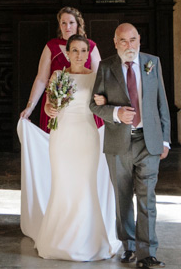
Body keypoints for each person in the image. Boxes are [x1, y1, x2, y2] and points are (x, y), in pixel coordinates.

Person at [32, 35, 121, 261]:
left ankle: (88, 240)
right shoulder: (57, 75)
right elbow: (51, 102)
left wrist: (104, 103)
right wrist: (51, 108)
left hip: (86, 136)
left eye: (84, 50)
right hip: (61, 137)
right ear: (67, 53)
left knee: (84, 185)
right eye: (75, 50)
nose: (80, 55)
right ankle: (59, 240)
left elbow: (107, 102)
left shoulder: (96, 77)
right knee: (63, 185)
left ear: (88, 53)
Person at [89, 23, 171, 269]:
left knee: (147, 198)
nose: (129, 45)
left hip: (149, 141)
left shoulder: (152, 63)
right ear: (115, 43)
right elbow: (94, 106)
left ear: (139, 40)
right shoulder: (105, 67)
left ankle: (147, 253)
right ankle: (129, 247)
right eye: (123, 41)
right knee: (123, 197)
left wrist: (165, 139)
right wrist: (115, 113)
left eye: (133, 40)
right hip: (118, 143)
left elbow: (162, 104)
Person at [19, 7, 102, 133]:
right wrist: (29, 107)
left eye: (71, 22)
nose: (67, 26)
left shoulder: (90, 46)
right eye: (63, 23)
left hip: (85, 105)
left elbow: (99, 79)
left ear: (78, 24)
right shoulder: (51, 46)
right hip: (56, 105)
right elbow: (41, 79)